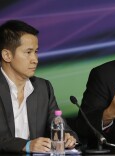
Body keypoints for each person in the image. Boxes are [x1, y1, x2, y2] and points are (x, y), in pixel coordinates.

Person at [0, 20, 78, 153]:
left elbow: (60, 124)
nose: (35, 59)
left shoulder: (43, 87)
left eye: (36, 51)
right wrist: (27, 145)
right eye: (28, 52)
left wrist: (67, 137)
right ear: (7, 55)